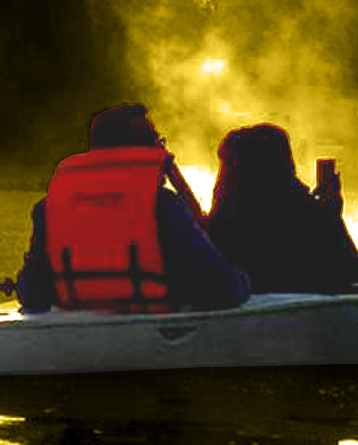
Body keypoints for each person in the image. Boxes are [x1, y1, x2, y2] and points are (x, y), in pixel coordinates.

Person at [15, 103, 250, 314]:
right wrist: (244, 281)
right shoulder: (163, 206)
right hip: (151, 332)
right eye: (158, 142)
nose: (164, 151)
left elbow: (31, 295)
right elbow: (223, 289)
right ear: (148, 150)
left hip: (76, 334)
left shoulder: (47, 209)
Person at [205, 122, 358, 294]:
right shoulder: (298, 212)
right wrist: (332, 215)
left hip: (266, 292)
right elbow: (351, 268)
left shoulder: (221, 221)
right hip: (296, 297)